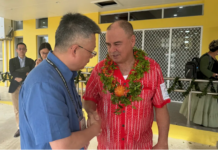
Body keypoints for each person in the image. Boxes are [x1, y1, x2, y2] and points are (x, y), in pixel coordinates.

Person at [83, 20, 171, 149]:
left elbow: (161, 107)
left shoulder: (152, 69)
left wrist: (163, 142)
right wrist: (91, 112)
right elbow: (89, 99)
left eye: (117, 44)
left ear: (132, 41)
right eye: (108, 45)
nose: (112, 50)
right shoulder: (100, 70)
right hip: (108, 146)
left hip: (140, 146)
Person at [19, 13, 101, 149]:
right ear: (74, 50)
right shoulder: (44, 84)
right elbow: (63, 146)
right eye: (91, 51)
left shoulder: (63, 74)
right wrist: (94, 129)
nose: (91, 56)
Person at [180, 40, 218, 127]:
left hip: (212, 84)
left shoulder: (213, 58)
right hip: (205, 85)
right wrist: (215, 75)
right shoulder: (206, 57)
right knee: (205, 104)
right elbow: (203, 69)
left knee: (210, 104)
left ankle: (208, 121)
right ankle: (203, 121)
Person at [8, 42, 35, 138]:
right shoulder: (12, 61)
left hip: (27, 86)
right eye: (19, 48)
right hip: (15, 87)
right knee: (17, 108)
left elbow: (31, 73)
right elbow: (12, 72)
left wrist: (21, 76)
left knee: (28, 107)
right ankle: (20, 128)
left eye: (23, 48)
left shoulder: (31, 61)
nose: (21, 50)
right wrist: (25, 73)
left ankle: (29, 127)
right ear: (16, 50)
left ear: (26, 50)